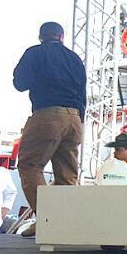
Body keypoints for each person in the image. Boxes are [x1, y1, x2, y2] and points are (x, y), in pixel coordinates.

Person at [12, 21, 85, 236]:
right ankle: (64, 223)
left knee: (30, 165)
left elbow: (19, 83)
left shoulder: (35, 53)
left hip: (47, 113)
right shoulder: (74, 58)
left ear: (41, 37)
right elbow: (83, 92)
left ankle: (46, 219)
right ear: (62, 37)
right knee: (67, 174)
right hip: (74, 117)